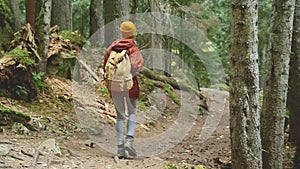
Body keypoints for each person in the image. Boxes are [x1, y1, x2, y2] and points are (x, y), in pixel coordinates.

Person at [102, 21, 144, 158]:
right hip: (130, 86)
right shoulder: (133, 48)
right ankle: (129, 140)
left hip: (115, 86)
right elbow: (137, 66)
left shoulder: (112, 48)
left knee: (120, 116)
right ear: (133, 33)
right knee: (132, 112)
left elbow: (105, 67)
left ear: (121, 32)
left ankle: (120, 148)